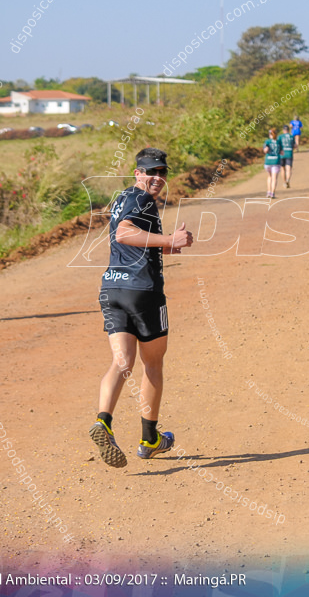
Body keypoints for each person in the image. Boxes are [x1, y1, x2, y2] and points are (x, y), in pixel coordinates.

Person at [90, 148, 194, 468]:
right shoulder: (143, 200)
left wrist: (166, 245)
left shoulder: (122, 198)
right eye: (151, 171)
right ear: (137, 172)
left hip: (112, 288)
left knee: (122, 362)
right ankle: (149, 439)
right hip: (143, 292)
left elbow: (133, 239)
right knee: (153, 365)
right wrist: (170, 240)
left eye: (162, 172)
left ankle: (103, 422)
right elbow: (124, 234)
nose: (158, 178)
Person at [263, 128, 282, 199]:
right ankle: (272, 193)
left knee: (269, 177)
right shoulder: (278, 142)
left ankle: (268, 191)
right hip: (276, 161)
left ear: (269, 134)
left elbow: (265, 150)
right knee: (274, 178)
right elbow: (282, 152)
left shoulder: (267, 141)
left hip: (268, 162)